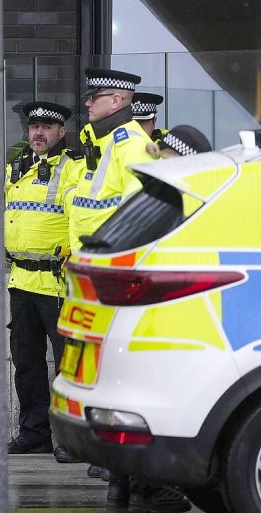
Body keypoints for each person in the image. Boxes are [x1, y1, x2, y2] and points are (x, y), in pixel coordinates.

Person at [102, 124, 211, 513]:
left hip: (123, 311)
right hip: (155, 314)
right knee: (154, 403)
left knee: (128, 400)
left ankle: (122, 486)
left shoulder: (144, 193)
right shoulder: (175, 198)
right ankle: (149, 487)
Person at [3, 102, 80, 462]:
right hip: (21, 280)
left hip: (56, 283)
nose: (38, 132)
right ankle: (34, 432)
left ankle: (69, 438)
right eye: (34, 125)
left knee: (67, 365)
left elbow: (79, 220)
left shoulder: (72, 168)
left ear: (61, 131)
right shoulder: (17, 168)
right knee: (27, 363)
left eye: (47, 126)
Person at [66, 68, 155, 251]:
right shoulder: (102, 141)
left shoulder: (133, 145)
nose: (87, 103)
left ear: (115, 101)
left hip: (110, 260)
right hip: (89, 258)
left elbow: (139, 216)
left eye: (94, 97)